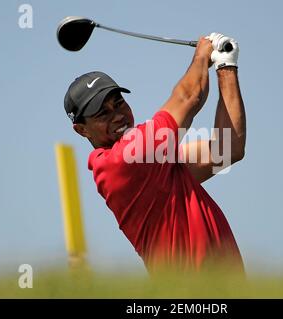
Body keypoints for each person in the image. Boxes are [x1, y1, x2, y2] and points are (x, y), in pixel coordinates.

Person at [63, 33, 247, 275]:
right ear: (81, 130)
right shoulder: (121, 161)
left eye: (118, 103)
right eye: (102, 114)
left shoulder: (154, 162)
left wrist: (226, 68)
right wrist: (203, 53)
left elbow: (228, 149)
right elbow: (189, 97)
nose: (117, 115)